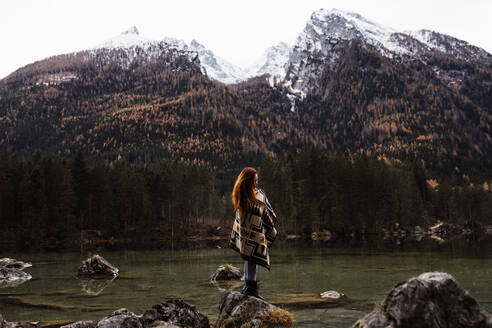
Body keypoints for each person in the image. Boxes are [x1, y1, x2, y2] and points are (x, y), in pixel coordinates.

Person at [230, 167, 277, 299]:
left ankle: (249, 286)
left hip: (253, 233)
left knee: (250, 258)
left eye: (257, 180)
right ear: (248, 181)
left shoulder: (256, 194)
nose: (256, 183)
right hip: (249, 233)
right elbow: (243, 216)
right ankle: (251, 289)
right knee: (250, 258)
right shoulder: (242, 196)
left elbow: (264, 211)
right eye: (255, 180)